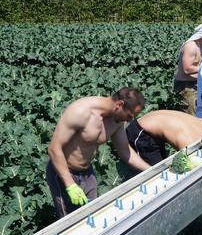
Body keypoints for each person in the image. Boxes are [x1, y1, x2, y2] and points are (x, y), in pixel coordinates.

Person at [46, 87, 151, 219]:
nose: (130, 121)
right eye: (129, 116)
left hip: (87, 172)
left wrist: (151, 170)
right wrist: (70, 185)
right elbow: (54, 148)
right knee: (70, 223)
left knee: (92, 216)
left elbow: (125, 151)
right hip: (64, 173)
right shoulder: (81, 112)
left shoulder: (117, 120)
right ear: (119, 105)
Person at [127, 110, 202, 165]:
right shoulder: (188, 143)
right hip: (140, 132)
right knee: (155, 174)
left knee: (162, 165)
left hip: (152, 122)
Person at [173, 22, 202, 115]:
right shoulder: (191, 47)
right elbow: (187, 69)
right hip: (185, 86)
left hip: (196, 83)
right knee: (191, 116)